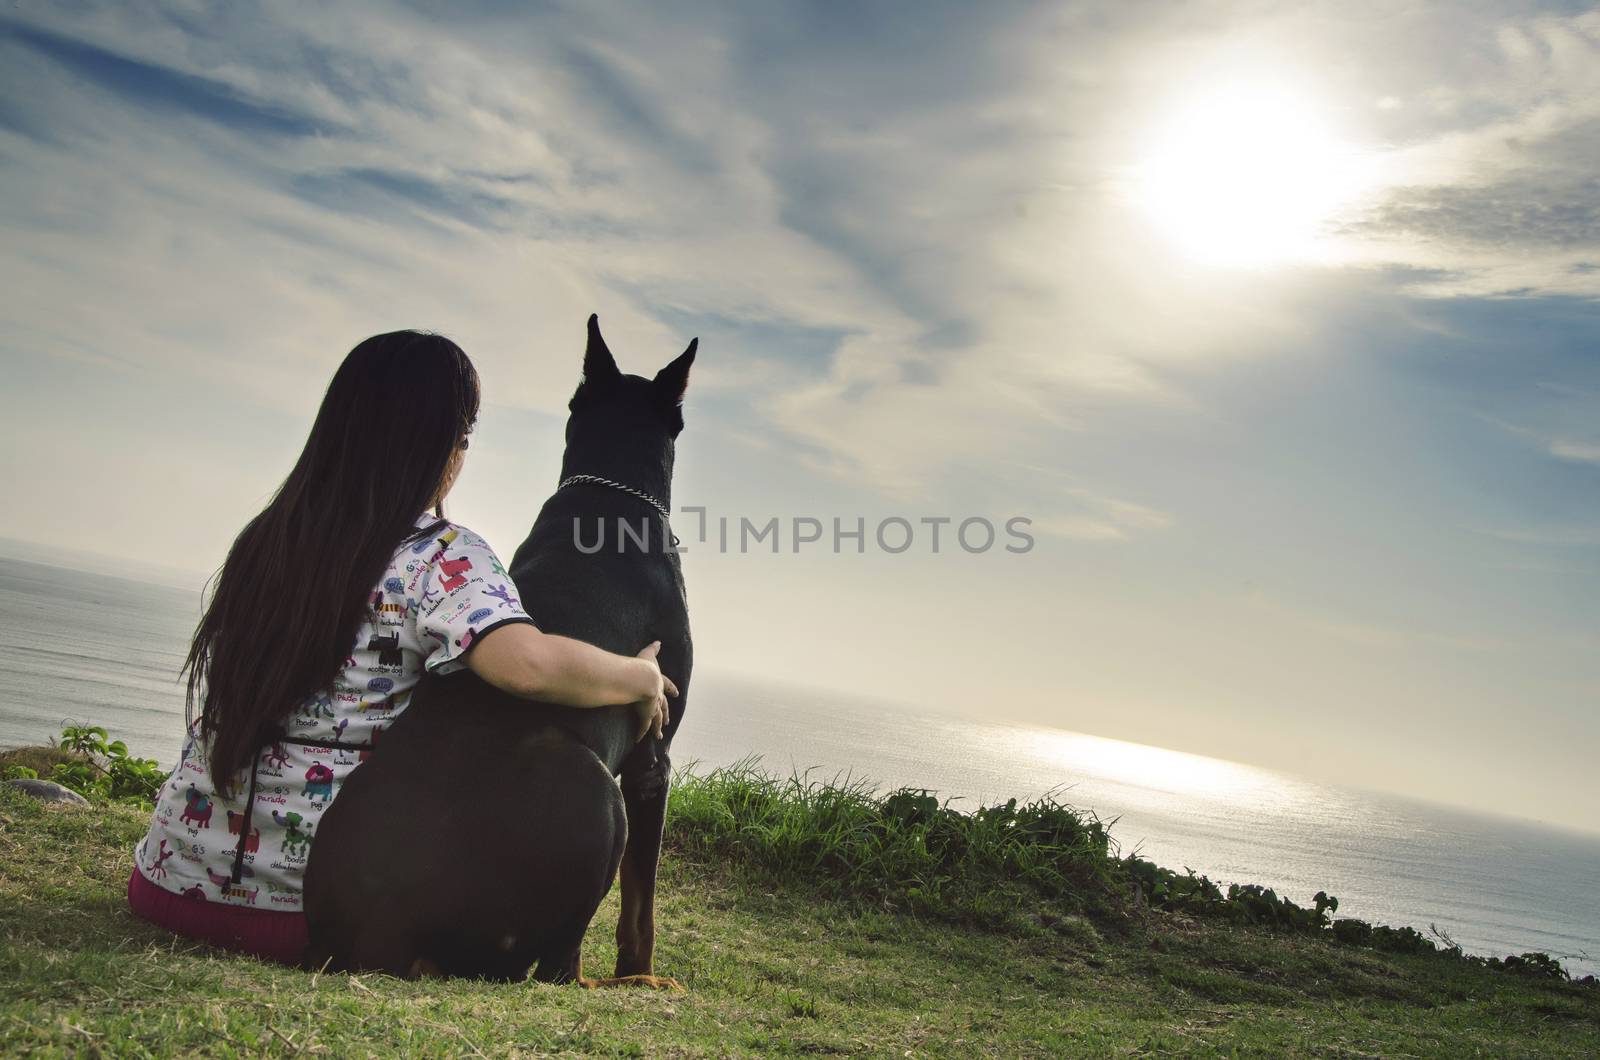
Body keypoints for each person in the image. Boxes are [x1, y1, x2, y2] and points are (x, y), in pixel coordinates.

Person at [127, 330, 675, 964]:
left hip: (168, 885)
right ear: (435, 447)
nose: (462, 453)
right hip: (315, 911)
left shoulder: (266, 538)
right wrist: (640, 678)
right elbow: (527, 665)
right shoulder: (440, 556)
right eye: (462, 436)